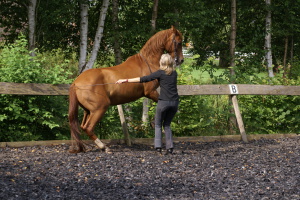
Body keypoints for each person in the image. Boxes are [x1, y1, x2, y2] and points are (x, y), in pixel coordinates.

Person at [116, 54, 179, 154]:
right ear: (170, 62)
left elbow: (143, 79)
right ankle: (170, 147)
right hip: (175, 103)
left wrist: (126, 80)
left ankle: (158, 147)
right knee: (167, 125)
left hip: (163, 102)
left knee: (158, 125)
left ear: (161, 62)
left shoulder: (160, 73)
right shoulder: (174, 73)